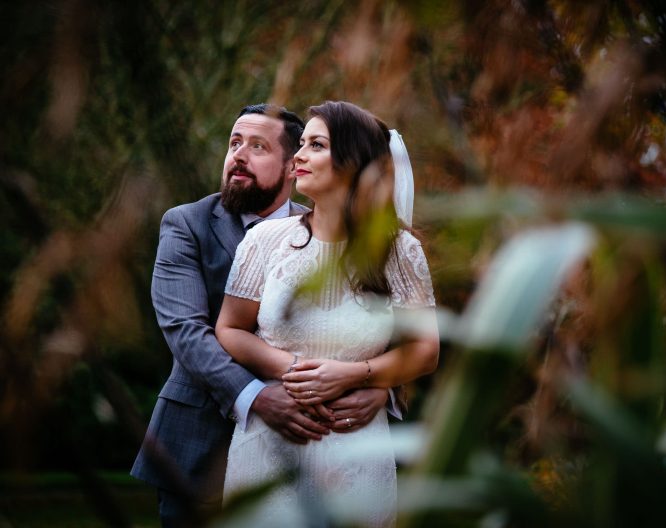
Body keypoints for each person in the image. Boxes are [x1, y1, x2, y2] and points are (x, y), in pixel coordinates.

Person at [130, 103, 392, 528]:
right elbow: (187, 332)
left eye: (257, 147)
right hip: (200, 447)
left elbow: (376, 330)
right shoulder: (186, 224)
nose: (239, 155)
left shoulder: (337, 234)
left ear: (294, 165)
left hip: (324, 452)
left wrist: (382, 389)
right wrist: (257, 397)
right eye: (234, 143)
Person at [215, 101, 439, 527]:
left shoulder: (400, 250)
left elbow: (426, 351)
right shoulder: (265, 241)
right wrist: (294, 368)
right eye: (300, 144)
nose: (298, 156)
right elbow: (229, 328)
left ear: (354, 163)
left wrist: (356, 374)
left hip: (358, 451)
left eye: (315, 145)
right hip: (271, 444)